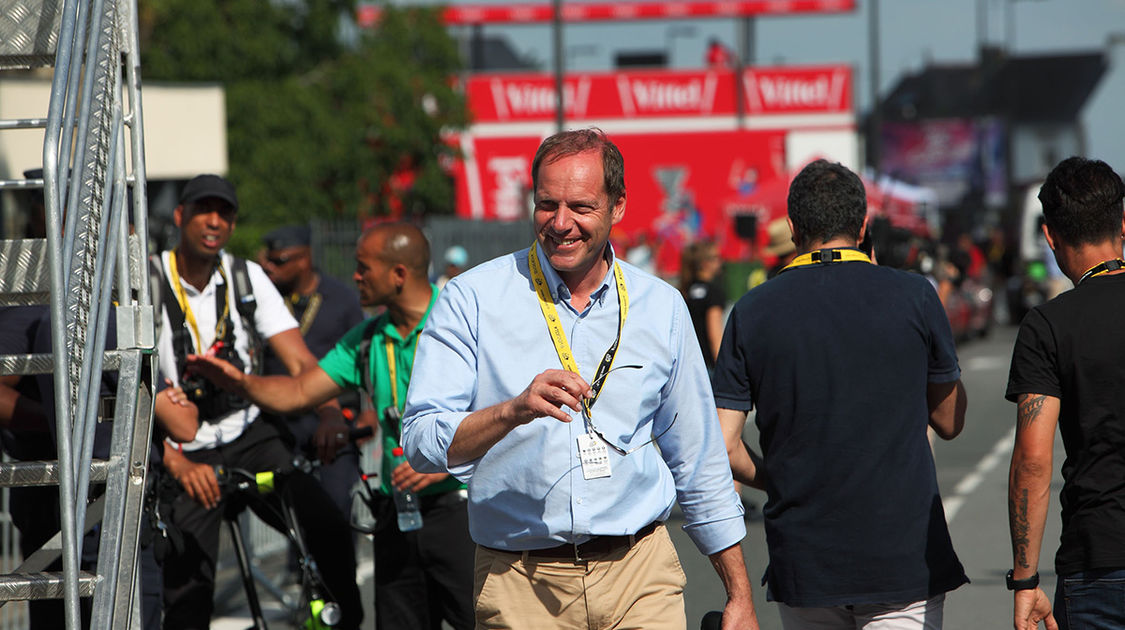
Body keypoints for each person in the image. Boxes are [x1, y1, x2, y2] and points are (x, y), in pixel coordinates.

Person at [399, 128, 757, 629]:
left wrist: (738, 593)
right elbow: (420, 442)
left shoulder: (660, 307)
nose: (561, 223)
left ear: (618, 207)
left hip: (640, 575)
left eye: (581, 207)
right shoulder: (471, 300)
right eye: (547, 204)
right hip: (519, 583)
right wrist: (512, 410)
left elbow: (698, 461)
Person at [713, 159, 968, 629]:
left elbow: (724, 445)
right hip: (904, 555)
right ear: (864, 224)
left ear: (791, 227)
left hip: (805, 559)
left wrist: (780, 480)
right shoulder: (914, 296)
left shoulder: (752, 312)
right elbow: (950, 422)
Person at [188, 223, 475, 630]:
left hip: (461, 514)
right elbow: (300, 390)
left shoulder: (462, 327)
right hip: (397, 517)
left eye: (363, 268)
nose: (354, 277)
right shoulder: (367, 339)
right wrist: (239, 383)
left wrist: (443, 463)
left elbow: (503, 418)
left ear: (398, 274)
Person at [152, 174, 362, 630]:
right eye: (204, 210)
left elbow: (300, 361)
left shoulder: (246, 275)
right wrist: (174, 462)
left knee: (325, 524)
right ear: (179, 216)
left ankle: (341, 620)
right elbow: (127, 388)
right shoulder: (147, 281)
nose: (214, 221)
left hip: (250, 432)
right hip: (185, 448)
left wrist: (328, 411)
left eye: (225, 212)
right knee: (188, 591)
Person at [1005, 157, 1125, 630]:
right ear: (1122, 224)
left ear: (1051, 237)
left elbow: (1033, 462)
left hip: (1098, 562)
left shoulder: (1047, 326)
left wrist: (1025, 580)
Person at [259, 224, 365, 515]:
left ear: (304, 259)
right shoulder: (267, 298)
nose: (271, 268)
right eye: (268, 261)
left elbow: (366, 357)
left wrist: (369, 413)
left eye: (280, 261)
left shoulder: (342, 298)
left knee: (335, 507)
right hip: (282, 424)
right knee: (292, 511)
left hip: (333, 420)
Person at [679, 240, 726, 370]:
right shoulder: (713, 292)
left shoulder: (684, 290)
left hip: (687, 363)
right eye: (716, 258)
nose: (720, 262)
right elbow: (715, 336)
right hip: (707, 365)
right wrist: (723, 367)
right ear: (705, 264)